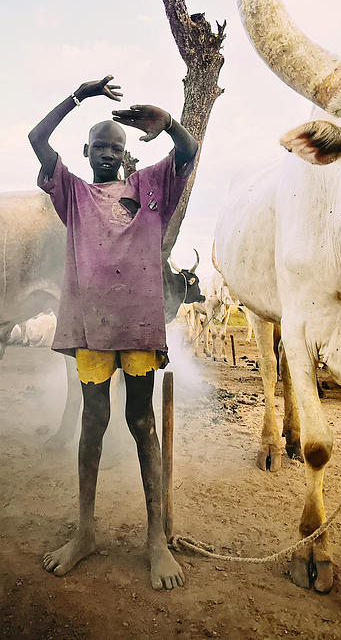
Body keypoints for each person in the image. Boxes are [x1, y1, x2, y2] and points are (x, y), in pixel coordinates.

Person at [28, 74, 198, 590]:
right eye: (99, 144)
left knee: (142, 421)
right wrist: (80, 96)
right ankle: (85, 531)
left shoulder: (151, 189)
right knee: (93, 422)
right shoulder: (73, 193)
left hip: (140, 329)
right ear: (86, 150)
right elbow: (37, 139)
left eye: (115, 145)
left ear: (127, 153)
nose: (107, 151)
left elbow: (190, 153)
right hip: (91, 329)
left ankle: (155, 541)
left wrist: (168, 124)